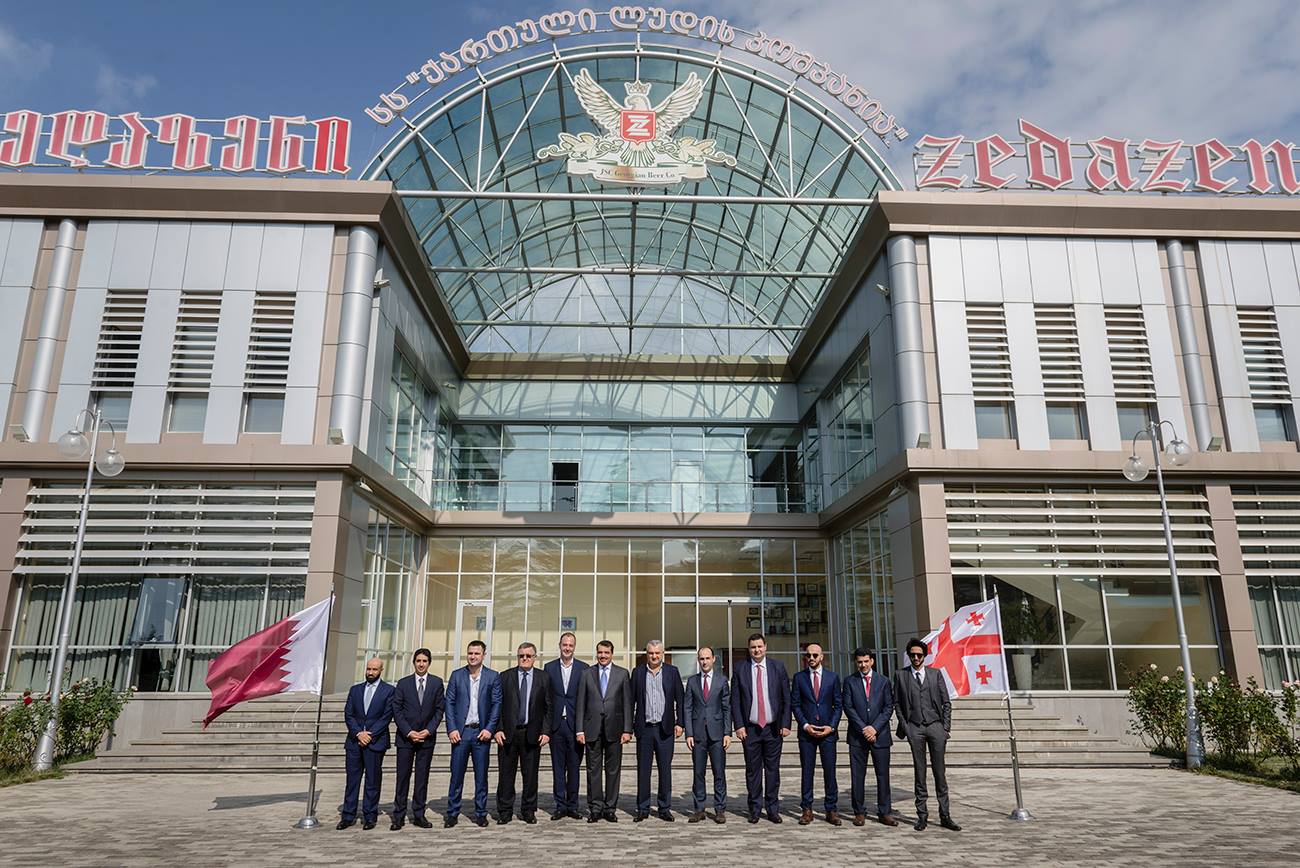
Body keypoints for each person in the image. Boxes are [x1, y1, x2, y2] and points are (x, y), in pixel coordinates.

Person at [893, 637, 960, 832]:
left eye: (919, 655)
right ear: (908, 655)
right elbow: (897, 703)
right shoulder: (901, 675)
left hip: (935, 727)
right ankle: (922, 815)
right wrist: (906, 727)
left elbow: (946, 703)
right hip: (915, 728)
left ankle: (945, 815)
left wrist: (945, 728)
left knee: (940, 772)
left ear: (925, 656)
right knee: (919, 772)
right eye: (912, 655)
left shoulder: (935, 674)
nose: (916, 658)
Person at [730, 633, 791, 823]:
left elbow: (786, 698)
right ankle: (755, 809)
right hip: (750, 729)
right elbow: (735, 700)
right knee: (753, 771)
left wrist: (786, 723)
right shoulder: (740, 668)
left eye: (759, 646)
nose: (756, 650)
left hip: (773, 729)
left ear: (765, 647)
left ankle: (772, 809)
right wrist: (739, 725)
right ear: (749, 649)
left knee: (772, 770)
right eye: (753, 647)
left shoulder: (777, 667)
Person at [444, 639, 501, 828]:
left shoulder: (493, 677)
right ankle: (452, 813)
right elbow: (449, 703)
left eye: (477, 653)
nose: (473, 656)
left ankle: (481, 813)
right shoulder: (457, 675)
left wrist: (489, 729)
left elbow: (496, 704)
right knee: (456, 776)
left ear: (484, 655)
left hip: (481, 733)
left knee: (481, 777)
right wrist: (452, 728)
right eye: (470, 653)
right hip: (461, 733)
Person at [495, 642, 553, 824]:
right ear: (517, 657)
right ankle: (505, 811)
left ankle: (528, 810)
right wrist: (498, 729)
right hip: (508, 734)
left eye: (528, 656)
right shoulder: (505, 677)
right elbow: (497, 706)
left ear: (535, 658)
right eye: (521, 656)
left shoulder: (543, 678)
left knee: (530, 775)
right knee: (506, 775)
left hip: (532, 733)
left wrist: (546, 731)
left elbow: (549, 707)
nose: (525, 659)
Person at [575, 639, 632, 822]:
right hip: (592, 729)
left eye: (606, 653)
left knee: (613, 771)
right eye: (600, 652)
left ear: (612, 654)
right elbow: (580, 703)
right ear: (596, 653)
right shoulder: (587, 674)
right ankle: (595, 808)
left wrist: (627, 729)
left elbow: (627, 704)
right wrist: (579, 730)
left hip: (615, 729)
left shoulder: (622, 674)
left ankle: (610, 808)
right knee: (593, 770)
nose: (603, 656)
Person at [390, 648, 445, 831]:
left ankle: (419, 814)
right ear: (414, 662)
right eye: (418, 661)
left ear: (429, 663)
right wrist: (408, 731)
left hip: (426, 739)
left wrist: (428, 730)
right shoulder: (403, 683)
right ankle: (398, 815)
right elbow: (397, 709)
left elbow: (439, 709)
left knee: (422, 778)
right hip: (406, 739)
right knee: (402, 777)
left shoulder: (436, 683)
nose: (421, 664)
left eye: (424, 661)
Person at [630, 639, 684, 822]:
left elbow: (680, 699)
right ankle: (643, 808)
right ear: (647, 654)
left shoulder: (672, 672)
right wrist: (628, 728)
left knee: (665, 770)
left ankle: (664, 808)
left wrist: (680, 723)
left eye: (657, 653)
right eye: (651, 653)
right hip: (644, 729)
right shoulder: (638, 673)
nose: (654, 656)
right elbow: (630, 701)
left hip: (664, 729)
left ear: (663, 654)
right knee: (643, 771)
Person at [842, 647, 897, 827]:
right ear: (856, 663)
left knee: (883, 776)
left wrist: (874, 728)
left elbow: (888, 707)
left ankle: (884, 812)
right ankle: (859, 812)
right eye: (860, 662)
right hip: (857, 737)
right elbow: (848, 707)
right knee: (857, 776)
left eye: (866, 661)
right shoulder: (849, 681)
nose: (863, 665)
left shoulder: (884, 681)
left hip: (880, 735)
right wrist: (864, 729)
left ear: (872, 661)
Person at [338, 658, 394, 830]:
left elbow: (386, 716)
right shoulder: (355, 690)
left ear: (381, 670)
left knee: (373, 780)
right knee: (352, 780)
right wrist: (358, 733)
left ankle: (370, 816)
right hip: (354, 742)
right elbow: (349, 714)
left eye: (374, 669)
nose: (370, 672)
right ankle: (348, 816)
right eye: (368, 669)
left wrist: (370, 735)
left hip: (375, 742)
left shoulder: (389, 691)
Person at [791, 642, 843, 826]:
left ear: (822, 657)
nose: (811, 658)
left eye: (815, 655)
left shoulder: (832, 677)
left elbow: (838, 705)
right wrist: (805, 725)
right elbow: (795, 704)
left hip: (828, 733)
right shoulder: (799, 678)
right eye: (808, 655)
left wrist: (832, 726)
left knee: (830, 771)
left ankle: (831, 809)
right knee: (807, 771)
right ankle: (807, 809)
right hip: (807, 733)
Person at [683, 645, 731, 823]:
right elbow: (687, 708)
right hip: (698, 735)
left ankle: (720, 809)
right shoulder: (692, 681)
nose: (704, 662)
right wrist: (688, 733)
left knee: (719, 773)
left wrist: (727, 732)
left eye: (707, 658)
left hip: (717, 734)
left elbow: (727, 708)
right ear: (698, 660)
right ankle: (699, 809)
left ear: (713, 659)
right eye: (701, 659)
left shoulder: (722, 680)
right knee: (698, 773)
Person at [544, 631, 589, 820]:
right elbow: (546, 699)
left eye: (570, 645)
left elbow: (586, 700)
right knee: (558, 768)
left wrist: (583, 728)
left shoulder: (583, 669)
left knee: (574, 767)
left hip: (575, 726)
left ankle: (573, 806)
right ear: (560, 646)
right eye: (564, 645)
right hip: (556, 726)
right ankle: (560, 806)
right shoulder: (549, 668)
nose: (567, 648)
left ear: (574, 647)